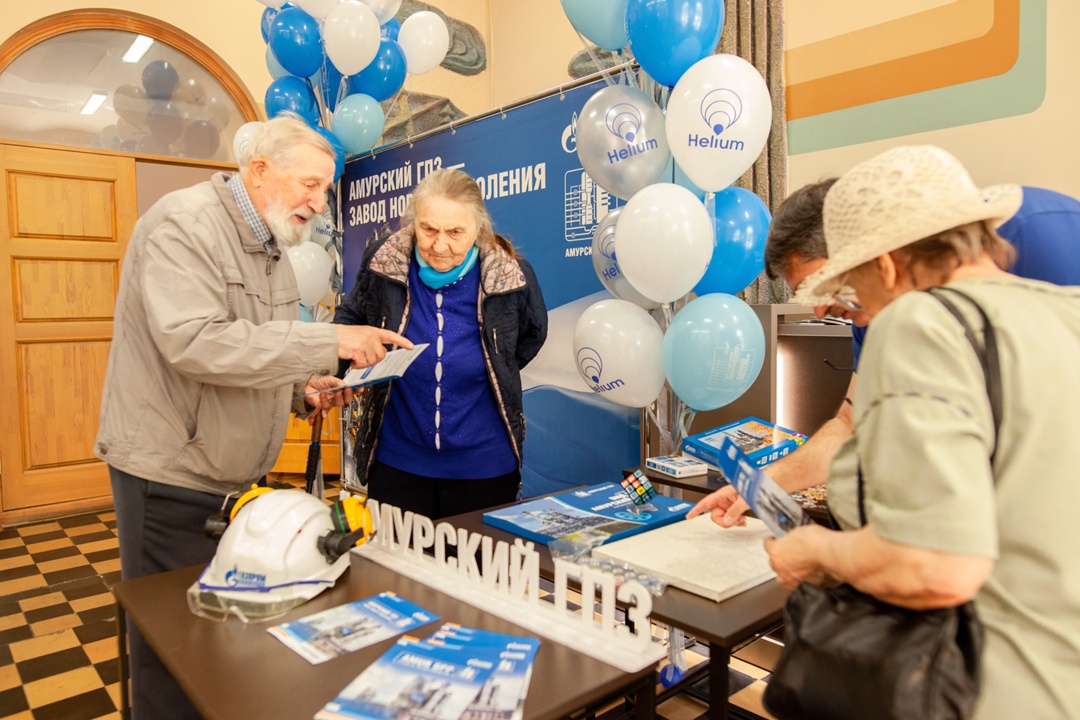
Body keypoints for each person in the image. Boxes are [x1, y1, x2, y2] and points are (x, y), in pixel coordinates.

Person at [95, 114, 410, 720]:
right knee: (172, 647)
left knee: (217, 636)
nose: (320, 204)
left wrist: (304, 387)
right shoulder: (183, 225)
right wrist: (330, 343)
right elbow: (197, 344)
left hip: (229, 482)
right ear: (260, 171)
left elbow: (255, 346)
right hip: (171, 476)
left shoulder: (272, 246)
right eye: (311, 185)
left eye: (326, 190)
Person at [767, 146, 1079, 717]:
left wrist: (820, 550)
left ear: (886, 265)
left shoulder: (919, 322)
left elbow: (934, 566)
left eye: (853, 284)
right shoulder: (1064, 310)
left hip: (986, 685)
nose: (856, 312)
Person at [690, 177, 1080, 527]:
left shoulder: (1042, 239)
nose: (822, 310)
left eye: (823, 286)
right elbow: (850, 425)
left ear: (868, 254)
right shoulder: (874, 307)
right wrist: (762, 485)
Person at [334, 168, 547, 520]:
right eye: (428, 229)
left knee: (477, 573)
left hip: (484, 465)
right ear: (413, 222)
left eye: (455, 232)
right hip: (398, 461)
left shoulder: (510, 273)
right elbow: (350, 320)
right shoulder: (384, 260)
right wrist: (337, 372)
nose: (440, 245)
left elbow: (530, 335)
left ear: (479, 228)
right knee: (397, 570)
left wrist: (488, 367)